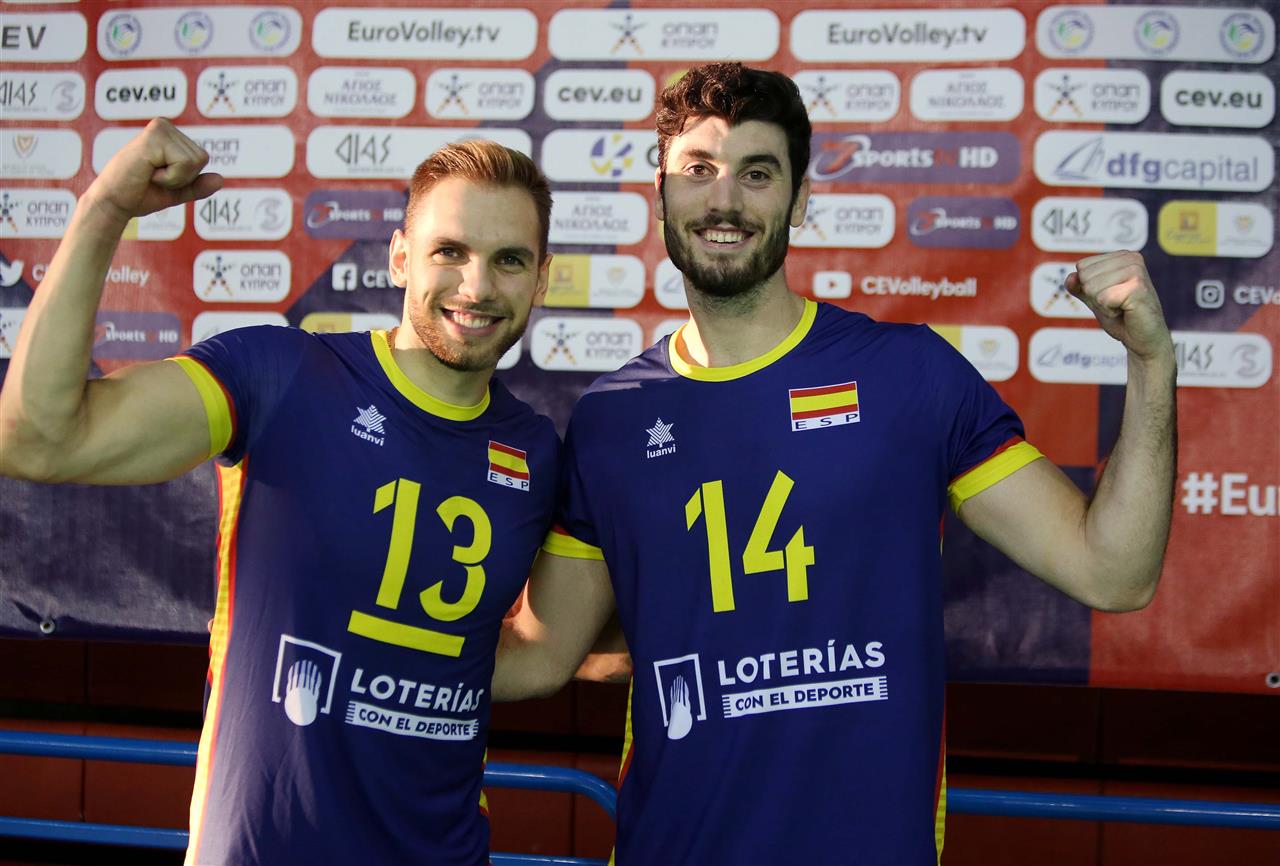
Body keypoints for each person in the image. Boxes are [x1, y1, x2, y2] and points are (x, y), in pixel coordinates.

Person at [493, 63, 1176, 865]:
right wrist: (363, 645)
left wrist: (1150, 363)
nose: (724, 201)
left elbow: (1114, 573)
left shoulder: (908, 376)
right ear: (662, 195)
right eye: (698, 171)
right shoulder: (612, 419)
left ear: (800, 200)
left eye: (757, 174)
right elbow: (540, 655)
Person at [0, 118, 560, 866]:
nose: (477, 287)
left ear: (541, 278)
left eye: (509, 260)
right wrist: (103, 210)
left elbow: (527, 653)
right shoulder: (282, 375)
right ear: (400, 258)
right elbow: (38, 440)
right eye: (449, 251)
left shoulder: (537, 452)